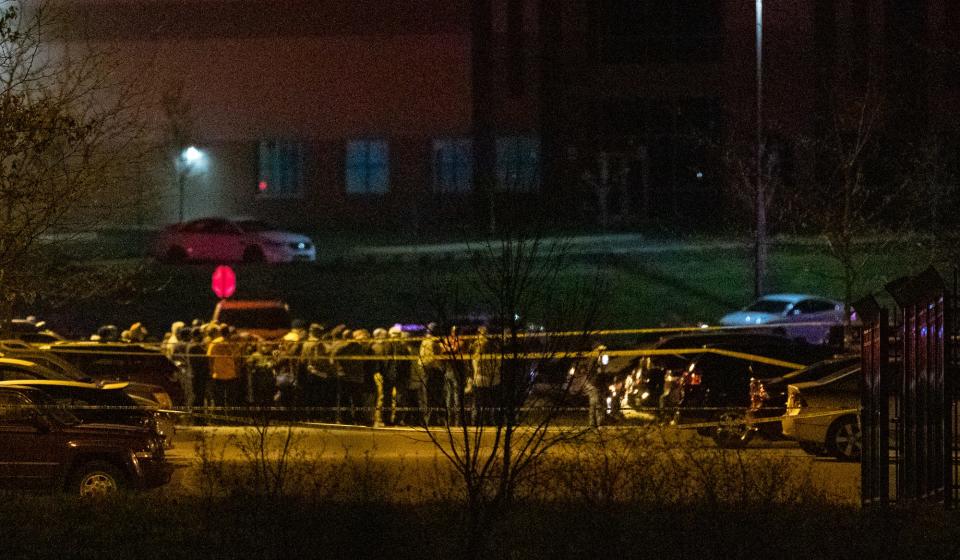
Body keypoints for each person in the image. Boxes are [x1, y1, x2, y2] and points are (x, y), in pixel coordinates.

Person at [471, 326, 501, 426]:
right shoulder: (492, 347)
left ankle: (477, 424)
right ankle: (487, 423)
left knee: (479, 405)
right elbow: (498, 364)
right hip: (488, 381)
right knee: (487, 405)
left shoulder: (475, 347)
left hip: (480, 380)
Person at [207, 324, 241, 409]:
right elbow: (237, 359)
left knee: (219, 399)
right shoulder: (233, 343)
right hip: (231, 374)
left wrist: (211, 372)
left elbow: (210, 358)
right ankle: (231, 417)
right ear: (228, 332)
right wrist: (238, 371)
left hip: (218, 375)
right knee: (231, 399)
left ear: (220, 332)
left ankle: (220, 417)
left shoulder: (214, 342)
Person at [245, 340, 278, 405]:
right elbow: (248, 363)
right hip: (259, 376)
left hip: (268, 376)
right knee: (260, 391)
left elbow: (275, 362)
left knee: (268, 391)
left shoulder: (270, 354)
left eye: (266, 346)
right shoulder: (255, 355)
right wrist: (256, 367)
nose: (264, 348)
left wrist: (272, 363)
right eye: (263, 346)